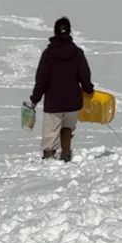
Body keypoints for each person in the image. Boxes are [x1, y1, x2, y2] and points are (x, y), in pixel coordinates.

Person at [27, 16, 94, 162]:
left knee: (51, 131)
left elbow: (42, 79)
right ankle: (66, 153)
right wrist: (89, 89)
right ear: (69, 31)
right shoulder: (77, 53)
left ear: (55, 32)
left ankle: (49, 156)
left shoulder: (48, 54)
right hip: (73, 102)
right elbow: (84, 76)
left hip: (54, 102)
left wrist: (35, 98)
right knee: (68, 127)